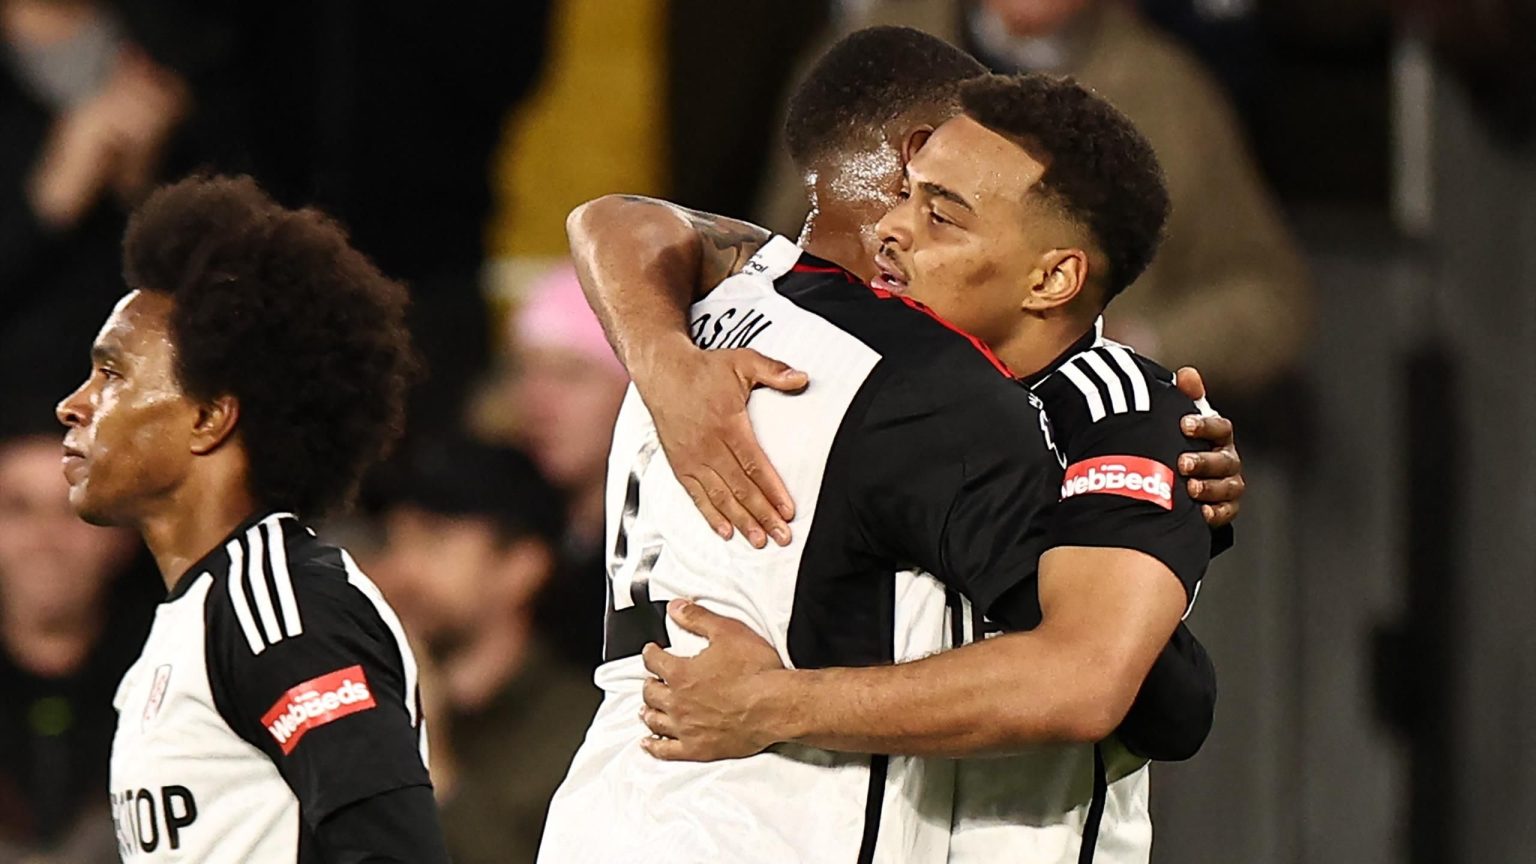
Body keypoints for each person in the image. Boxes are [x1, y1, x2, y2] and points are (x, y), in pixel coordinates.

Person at [541, 35, 1241, 864]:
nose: (893, 232)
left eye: (940, 212)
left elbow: (1101, 685)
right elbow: (617, 219)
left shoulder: (1114, 412)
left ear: (1052, 278)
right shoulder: (853, 356)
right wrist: (659, 361)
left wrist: (772, 703)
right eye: (907, 194)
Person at [53, 174, 447, 862]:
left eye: (111, 375)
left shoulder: (284, 609)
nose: (73, 404)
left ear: (209, 418)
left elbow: (392, 851)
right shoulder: (193, 619)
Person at [371, 437, 601, 864]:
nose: (399, 569)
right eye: (392, 541)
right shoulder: (366, 699)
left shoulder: (586, 733)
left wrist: (430, 762)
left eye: (434, 541)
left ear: (521, 567)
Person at [0, 423, 158, 864]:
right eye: (18, 509)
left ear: (122, 534)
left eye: (74, 510)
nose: (45, 540)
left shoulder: (185, 680)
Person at [504, 264, 632, 669]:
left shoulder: (675, 551)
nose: (537, 403)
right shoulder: (506, 520)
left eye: (571, 375)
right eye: (524, 371)